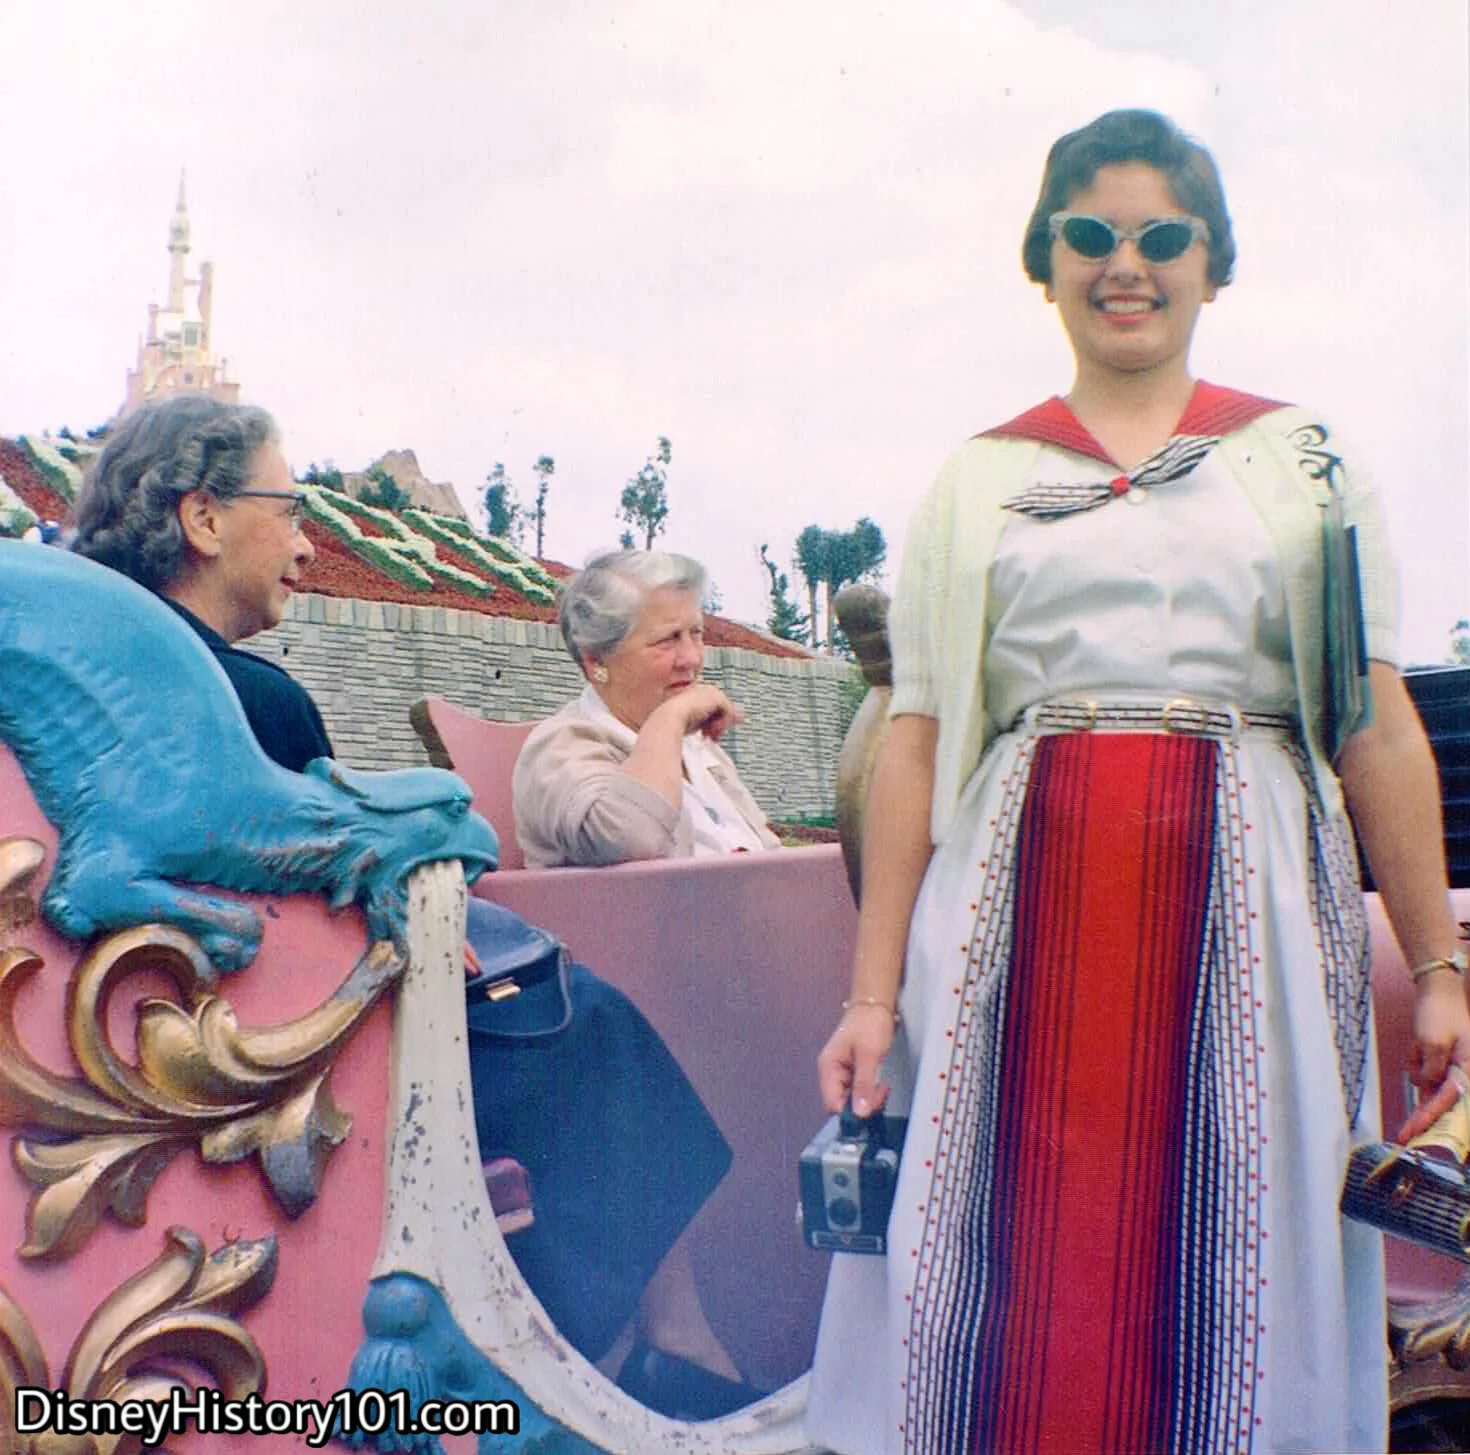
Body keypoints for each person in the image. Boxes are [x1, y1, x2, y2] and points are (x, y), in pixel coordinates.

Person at [807, 108, 1470, 1455]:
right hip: (1017, 895)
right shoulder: (976, 476)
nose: (1126, 262)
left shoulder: (1303, 465)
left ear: (1211, 265)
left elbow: (1375, 723)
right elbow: (919, 735)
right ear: (1040, 261)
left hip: (1249, 910)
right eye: (1088, 235)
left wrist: (1439, 961)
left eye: (1162, 236)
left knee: (1238, 1226)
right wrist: (870, 995)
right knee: (1008, 1231)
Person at [70, 394, 756, 1421]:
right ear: (203, 520)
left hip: (148, 1034)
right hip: (299, 1043)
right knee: (597, 1034)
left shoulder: (104, 680)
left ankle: (640, 1340)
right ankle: (597, 1357)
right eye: (289, 510)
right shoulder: (244, 698)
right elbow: (335, 896)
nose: (306, 547)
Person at [513, 548, 780, 867]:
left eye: (696, 633)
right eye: (667, 640)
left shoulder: (697, 748)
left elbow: (768, 851)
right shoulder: (559, 747)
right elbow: (629, 840)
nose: (692, 659)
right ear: (596, 660)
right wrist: (671, 718)